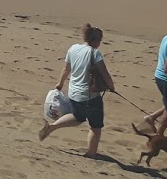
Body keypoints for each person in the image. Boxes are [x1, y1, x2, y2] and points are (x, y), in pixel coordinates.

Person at [39, 23, 114, 157]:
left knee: (78, 117)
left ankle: (51, 127)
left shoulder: (73, 48)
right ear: (95, 41)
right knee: (96, 127)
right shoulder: (94, 53)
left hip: (73, 93)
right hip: (89, 95)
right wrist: (111, 86)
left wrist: (60, 84)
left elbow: (66, 69)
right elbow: (105, 74)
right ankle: (91, 154)